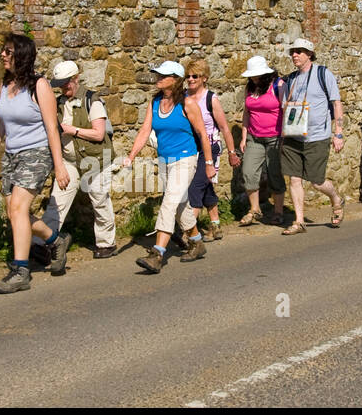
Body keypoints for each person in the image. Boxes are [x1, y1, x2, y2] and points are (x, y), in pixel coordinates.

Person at [0, 34, 71, 293]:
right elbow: (1, 122)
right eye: (3, 51)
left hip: (36, 153)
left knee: (18, 209)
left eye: (8, 52)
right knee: (14, 212)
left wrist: (59, 164)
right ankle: (55, 240)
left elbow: (52, 128)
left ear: (22, 54)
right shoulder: (6, 84)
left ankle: (20, 270)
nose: (3, 56)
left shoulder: (39, 85)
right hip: (11, 155)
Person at [122, 61, 213, 273]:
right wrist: (131, 155)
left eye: (163, 75)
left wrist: (208, 164)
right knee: (181, 206)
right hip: (164, 160)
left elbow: (203, 134)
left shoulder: (188, 104)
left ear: (176, 79)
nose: (158, 78)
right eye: (157, 75)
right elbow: (145, 131)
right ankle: (197, 242)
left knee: (169, 202)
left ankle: (157, 253)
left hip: (185, 159)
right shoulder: (154, 102)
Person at [39, 60, 117, 259]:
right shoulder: (57, 104)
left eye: (67, 83)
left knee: (99, 200)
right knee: (58, 201)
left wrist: (73, 130)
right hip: (69, 161)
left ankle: (106, 243)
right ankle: (43, 244)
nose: (64, 87)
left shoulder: (93, 100)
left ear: (76, 79)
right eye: (60, 84)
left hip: (95, 160)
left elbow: (99, 134)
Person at [278, 38, 345, 233]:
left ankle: (336, 199)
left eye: (299, 51)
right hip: (293, 137)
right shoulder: (290, 79)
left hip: (317, 136)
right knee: (294, 179)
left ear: (309, 54)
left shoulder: (323, 74)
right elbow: (286, 108)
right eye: (293, 52)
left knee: (316, 181)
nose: (294, 55)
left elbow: (336, 104)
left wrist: (338, 133)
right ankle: (299, 221)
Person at [184, 58, 237, 242]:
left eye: (195, 76)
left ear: (204, 78)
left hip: (211, 149)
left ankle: (187, 233)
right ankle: (215, 225)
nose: (190, 79)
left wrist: (232, 153)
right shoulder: (183, 97)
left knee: (195, 188)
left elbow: (224, 128)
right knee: (205, 186)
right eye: (188, 76)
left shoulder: (210, 99)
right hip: (192, 148)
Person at [237, 56, 287, 226]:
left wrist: (285, 138)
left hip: (275, 137)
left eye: (257, 75)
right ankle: (255, 209)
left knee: (275, 174)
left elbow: (287, 111)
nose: (254, 78)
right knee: (248, 172)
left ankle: (278, 211)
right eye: (251, 75)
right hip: (254, 137)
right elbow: (246, 113)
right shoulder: (249, 87)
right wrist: (244, 137)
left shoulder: (278, 85)